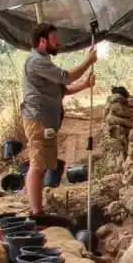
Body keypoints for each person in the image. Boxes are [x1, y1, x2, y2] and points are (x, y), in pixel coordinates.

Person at [22, 23, 96, 215]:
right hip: (38, 120)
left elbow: (63, 90)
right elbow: (65, 78)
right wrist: (88, 61)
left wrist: (86, 85)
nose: (58, 43)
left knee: (44, 163)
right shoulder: (36, 62)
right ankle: (37, 213)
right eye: (54, 40)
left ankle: (38, 209)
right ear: (42, 41)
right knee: (37, 165)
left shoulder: (43, 62)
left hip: (45, 121)